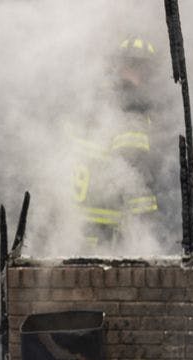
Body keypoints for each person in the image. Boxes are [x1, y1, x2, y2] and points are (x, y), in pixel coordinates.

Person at [68, 36, 168, 250]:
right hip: (108, 232)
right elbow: (133, 175)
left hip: (74, 228)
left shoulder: (94, 102)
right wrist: (145, 232)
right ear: (142, 68)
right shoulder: (131, 107)